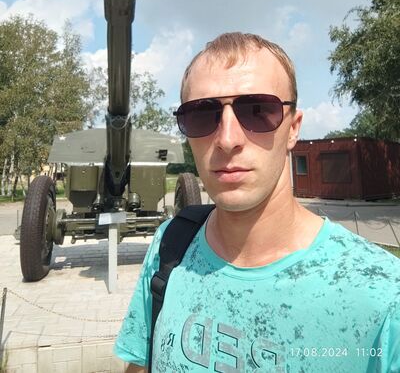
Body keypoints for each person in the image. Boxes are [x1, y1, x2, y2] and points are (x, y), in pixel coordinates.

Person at [114, 32, 400, 372]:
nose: (227, 139)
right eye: (202, 114)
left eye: (258, 111)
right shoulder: (170, 246)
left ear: (293, 129)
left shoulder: (383, 294)